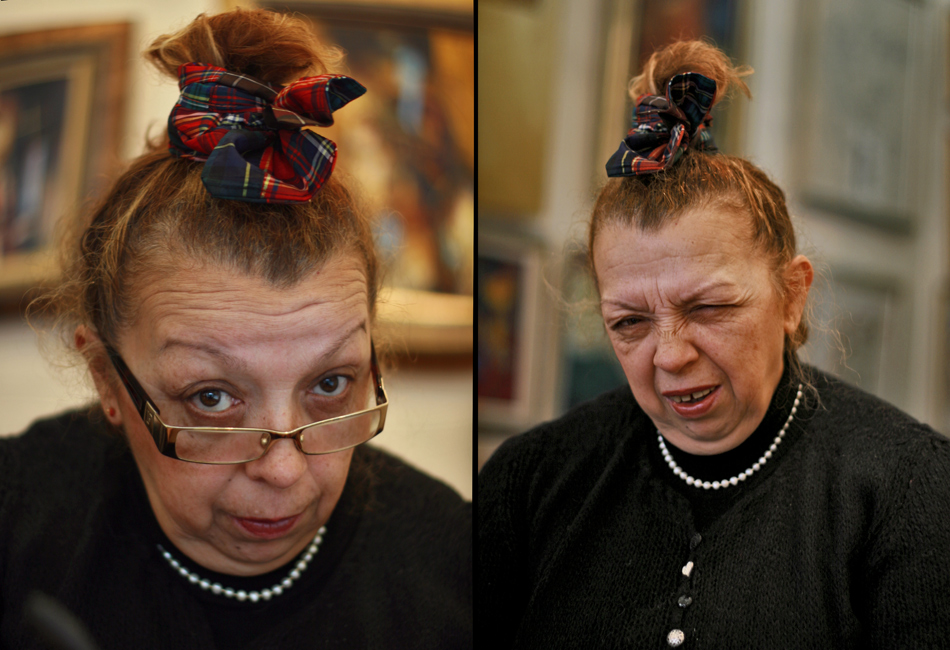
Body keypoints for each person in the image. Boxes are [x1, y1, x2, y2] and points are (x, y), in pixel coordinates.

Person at [0, 9, 471, 650]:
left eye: (331, 384)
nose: (284, 471)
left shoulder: (457, 570)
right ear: (106, 379)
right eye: (211, 397)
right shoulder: (18, 524)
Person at [477, 40, 950, 648]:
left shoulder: (911, 490)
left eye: (708, 308)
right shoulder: (528, 481)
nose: (671, 355)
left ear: (791, 296)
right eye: (629, 323)